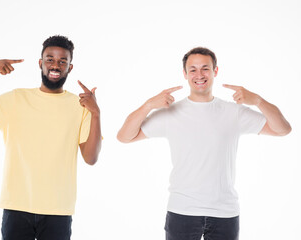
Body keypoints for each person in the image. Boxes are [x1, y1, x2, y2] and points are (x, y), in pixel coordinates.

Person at [117, 47, 291, 240]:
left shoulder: (233, 112)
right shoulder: (171, 113)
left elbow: (282, 129)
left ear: (215, 71)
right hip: (182, 211)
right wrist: (148, 105)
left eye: (205, 68)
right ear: (185, 74)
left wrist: (258, 100)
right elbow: (124, 136)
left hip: (225, 213)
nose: (199, 75)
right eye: (193, 69)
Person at [0, 35, 102, 240]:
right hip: (16, 206)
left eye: (63, 61)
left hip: (58, 210)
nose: (55, 65)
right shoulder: (16, 99)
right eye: (50, 59)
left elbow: (91, 158)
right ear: (41, 63)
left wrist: (96, 113)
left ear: (69, 68)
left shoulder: (81, 107)